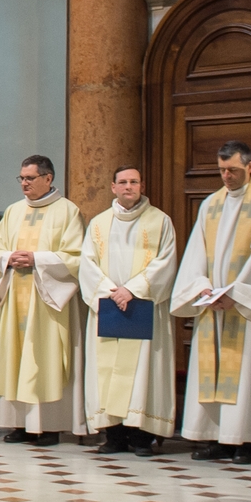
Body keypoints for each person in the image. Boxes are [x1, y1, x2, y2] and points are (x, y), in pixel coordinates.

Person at [171, 140, 251, 464]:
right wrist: (203, 288)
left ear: (250, 167)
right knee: (211, 371)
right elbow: (196, 252)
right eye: (222, 170)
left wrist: (234, 294)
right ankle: (214, 437)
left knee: (245, 370)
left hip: (243, 305)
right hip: (212, 304)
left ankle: (244, 441)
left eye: (233, 170)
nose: (227, 177)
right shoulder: (211, 204)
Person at [0, 155, 85, 446]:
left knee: (44, 358)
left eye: (30, 178)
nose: (24, 184)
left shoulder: (68, 212)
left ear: (48, 178)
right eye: (22, 178)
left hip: (47, 301)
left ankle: (49, 426)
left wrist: (36, 259)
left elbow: (76, 257)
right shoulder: (14, 211)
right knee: (16, 358)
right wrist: (6, 258)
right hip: (16, 297)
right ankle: (20, 424)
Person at [76, 166, 179, 455]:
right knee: (107, 372)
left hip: (143, 306)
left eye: (134, 182)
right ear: (113, 187)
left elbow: (166, 261)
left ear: (141, 185)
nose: (128, 187)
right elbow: (87, 264)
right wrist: (112, 292)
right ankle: (114, 436)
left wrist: (133, 290)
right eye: (122, 182)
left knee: (143, 372)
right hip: (109, 305)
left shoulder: (160, 221)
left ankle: (142, 437)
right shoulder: (99, 223)